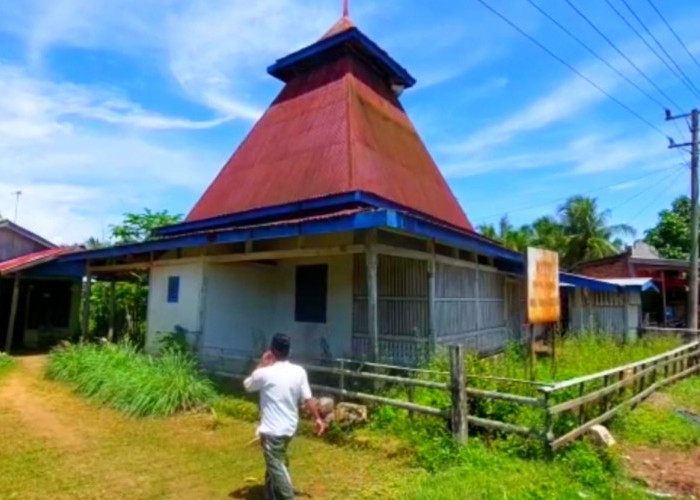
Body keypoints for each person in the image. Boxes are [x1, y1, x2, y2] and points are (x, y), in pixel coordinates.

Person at [244, 333, 327, 500]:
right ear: (289, 350)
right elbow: (308, 399)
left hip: (271, 430)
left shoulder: (264, 373)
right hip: (289, 428)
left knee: (276, 464)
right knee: (276, 461)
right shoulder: (299, 372)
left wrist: (261, 363)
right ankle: (271, 495)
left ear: (271, 350)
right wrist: (317, 418)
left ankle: (287, 496)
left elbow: (248, 385)